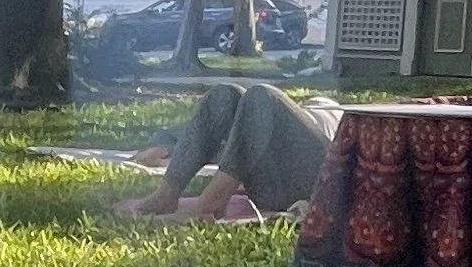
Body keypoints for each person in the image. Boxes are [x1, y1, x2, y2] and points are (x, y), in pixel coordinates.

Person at [122, 80, 340, 223]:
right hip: (274, 188)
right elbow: (232, 145)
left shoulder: (325, 114)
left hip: (322, 185)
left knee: (263, 96)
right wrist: (167, 143)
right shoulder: (274, 119)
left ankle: (209, 205)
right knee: (225, 94)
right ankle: (165, 196)